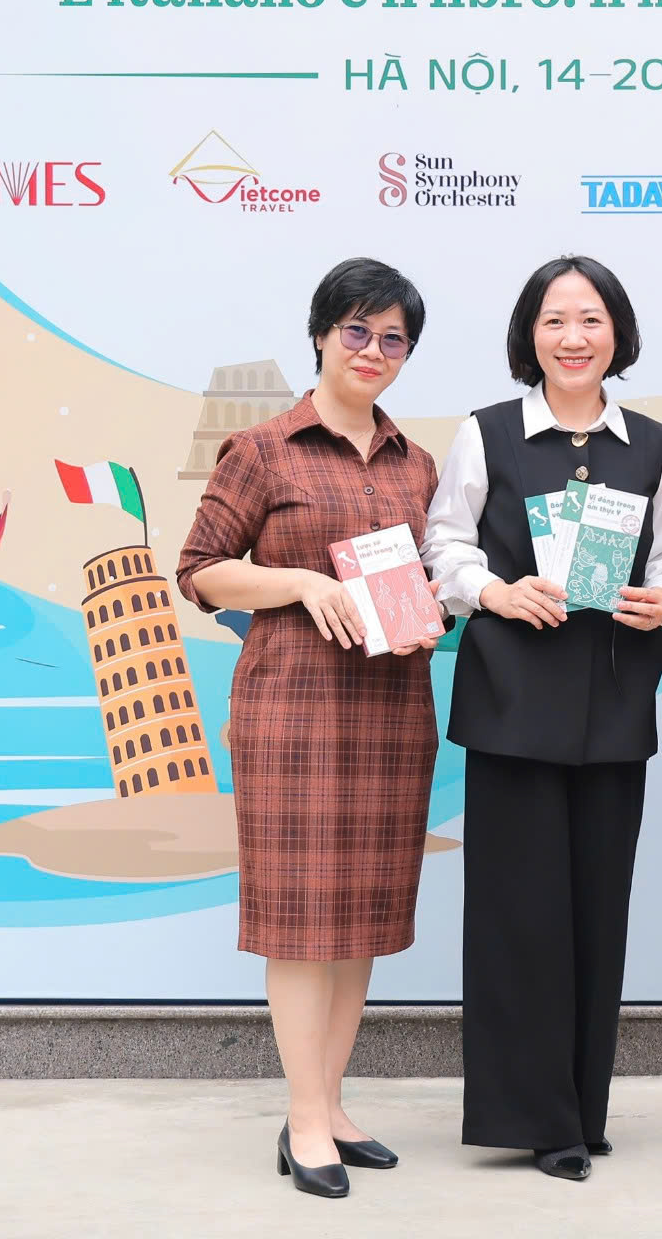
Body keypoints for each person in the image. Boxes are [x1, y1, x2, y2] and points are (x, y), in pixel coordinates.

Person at [177, 259, 444, 1201]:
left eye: (393, 339)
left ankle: (331, 1103)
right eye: (356, 332)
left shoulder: (417, 462)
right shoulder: (263, 450)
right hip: (293, 709)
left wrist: (433, 605)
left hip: (392, 708)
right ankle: (301, 1120)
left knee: (361, 917)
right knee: (299, 923)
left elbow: (424, 573)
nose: (373, 351)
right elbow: (199, 570)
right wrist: (299, 582)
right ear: (323, 335)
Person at [421, 256, 662, 1181]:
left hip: (612, 708)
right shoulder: (487, 432)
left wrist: (660, 599)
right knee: (517, 916)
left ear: (618, 333)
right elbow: (442, 543)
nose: (574, 337)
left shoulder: (655, 443)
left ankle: (581, 1109)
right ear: (529, 334)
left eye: (592, 319)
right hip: (512, 707)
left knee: (598, 915)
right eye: (555, 320)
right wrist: (494, 589)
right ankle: (536, 1118)